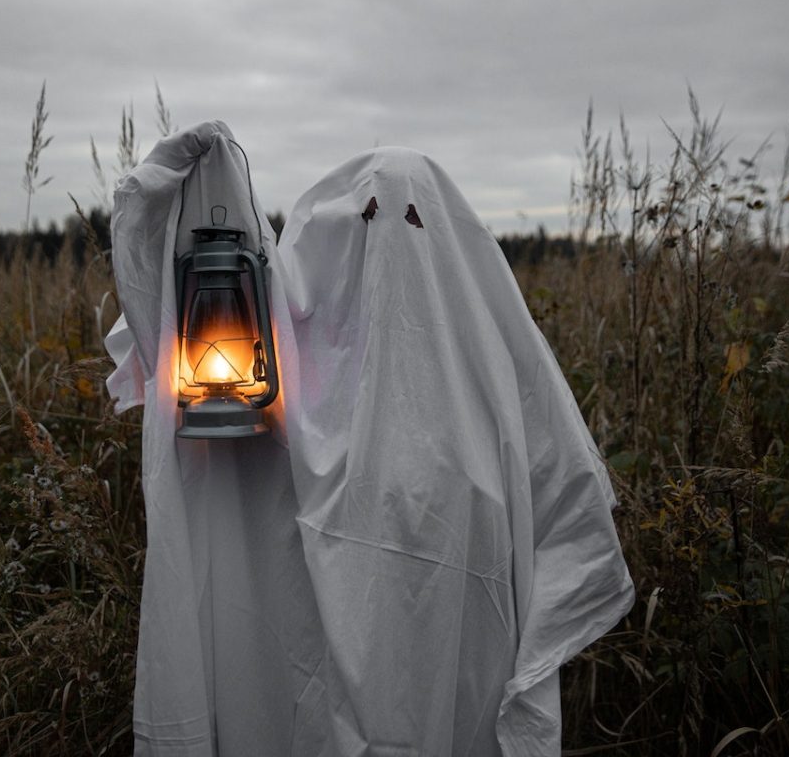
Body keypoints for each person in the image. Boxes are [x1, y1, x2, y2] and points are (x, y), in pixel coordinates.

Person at [107, 124, 634, 756]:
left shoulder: (499, 389)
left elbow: (570, 512)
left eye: (411, 220)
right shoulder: (280, 386)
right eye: (368, 220)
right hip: (301, 703)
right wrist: (179, 179)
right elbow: (163, 313)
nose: (388, 242)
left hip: (457, 695)